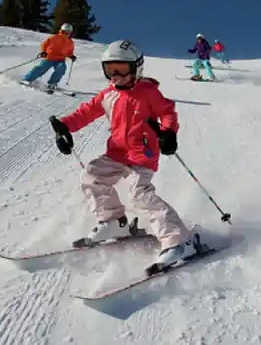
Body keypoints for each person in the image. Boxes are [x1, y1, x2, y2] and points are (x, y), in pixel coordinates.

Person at [48, 40, 198, 266]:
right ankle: (113, 221)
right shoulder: (108, 95)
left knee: (140, 195)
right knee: (92, 176)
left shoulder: (148, 92)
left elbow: (167, 112)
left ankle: (179, 240)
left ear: (137, 68)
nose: (115, 75)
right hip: (117, 152)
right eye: (110, 69)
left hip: (142, 154)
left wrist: (168, 133)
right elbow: (86, 112)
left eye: (121, 69)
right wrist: (65, 126)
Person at [22, 23, 77, 90]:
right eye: (65, 31)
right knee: (41, 68)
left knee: (61, 68)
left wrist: (71, 56)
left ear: (71, 32)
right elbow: (45, 44)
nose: (67, 33)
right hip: (49, 57)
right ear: (62, 30)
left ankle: (52, 83)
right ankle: (27, 79)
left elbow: (69, 52)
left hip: (60, 59)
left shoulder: (70, 42)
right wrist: (44, 51)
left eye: (68, 32)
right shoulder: (55, 37)